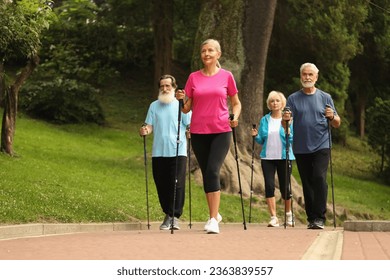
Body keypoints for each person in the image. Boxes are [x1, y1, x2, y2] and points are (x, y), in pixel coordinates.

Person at [176, 38, 241, 234]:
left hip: (221, 130)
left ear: (218, 54)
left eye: (211, 50)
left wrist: (235, 117)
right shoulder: (193, 78)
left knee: (213, 170)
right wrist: (181, 100)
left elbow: (236, 103)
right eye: (203, 51)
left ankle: (213, 219)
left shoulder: (226, 76)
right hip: (198, 132)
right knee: (207, 173)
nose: (206, 54)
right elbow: (187, 108)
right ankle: (215, 212)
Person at [284, 63, 341, 229]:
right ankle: (312, 218)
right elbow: (285, 125)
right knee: (307, 182)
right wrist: (285, 119)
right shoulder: (293, 99)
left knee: (319, 177)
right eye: (304, 74)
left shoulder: (325, 97)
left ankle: (320, 217)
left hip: (322, 144)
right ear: (301, 76)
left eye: (310, 75)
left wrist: (332, 117)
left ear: (316, 77)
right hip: (301, 147)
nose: (307, 77)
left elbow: (337, 123)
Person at [139, 74, 191, 230]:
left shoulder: (181, 105)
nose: (165, 88)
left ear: (174, 88)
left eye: (168, 86)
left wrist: (189, 130)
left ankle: (174, 216)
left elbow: (189, 124)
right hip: (158, 152)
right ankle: (167, 213)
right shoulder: (154, 106)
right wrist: (145, 130)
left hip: (178, 150)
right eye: (162, 86)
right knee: (161, 184)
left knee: (176, 184)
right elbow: (150, 125)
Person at [251, 91, 295, 227]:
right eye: (272, 101)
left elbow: (292, 139)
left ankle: (288, 214)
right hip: (267, 157)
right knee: (269, 186)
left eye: (277, 101)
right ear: (269, 104)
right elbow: (261, 140)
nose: (274, 103)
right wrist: (255, 135)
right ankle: (273, 217)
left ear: (282, 103)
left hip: (284, 157)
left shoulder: (288, 119)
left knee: (285, 188)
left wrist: (287, 130)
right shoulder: (265, 119)